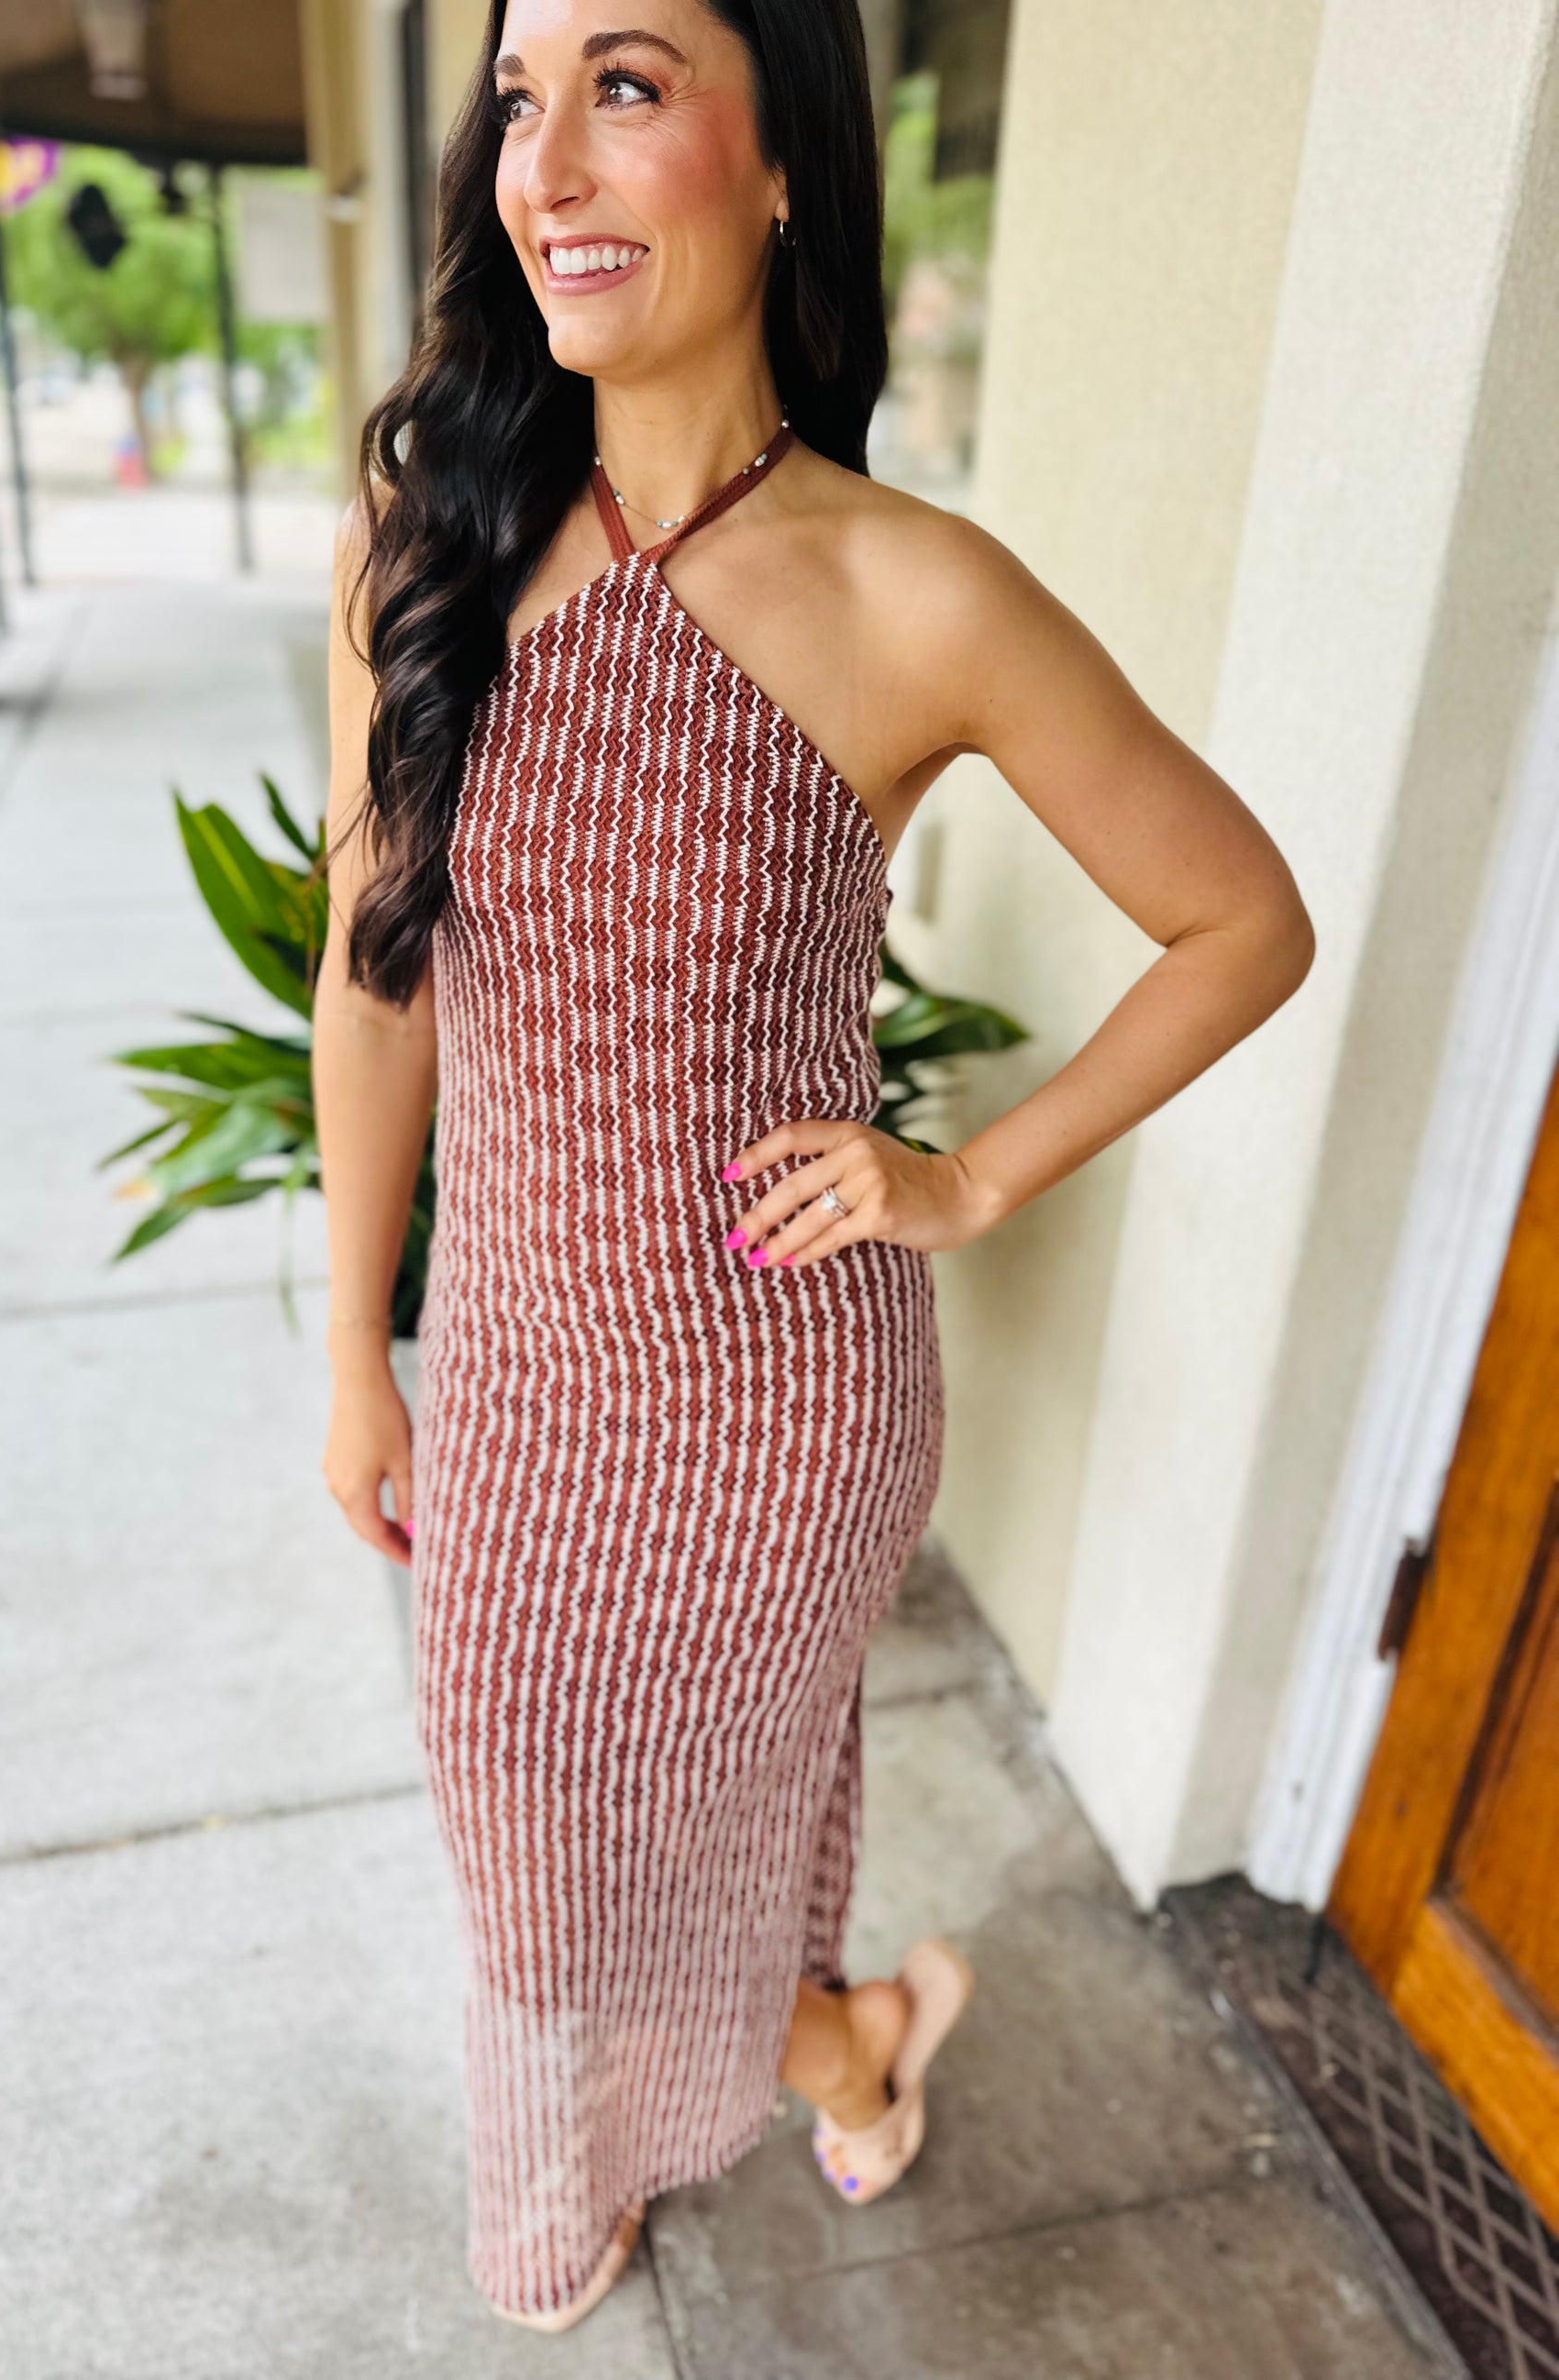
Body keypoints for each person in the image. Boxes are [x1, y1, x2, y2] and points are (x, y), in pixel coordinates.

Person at [314, 0, 1315, 2334]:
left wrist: (966, 1181)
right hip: (521, 1364)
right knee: (542, 1840)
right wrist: (358, 1338)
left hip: (777, 1401)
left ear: (782, 166)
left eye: (628, 85)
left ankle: (730, 2100)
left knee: (644, 1842)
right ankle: (848, 2037)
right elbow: (372, 979)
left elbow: (1242, 919)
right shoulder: (426, 549)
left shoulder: (908, 591)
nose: (547, 162)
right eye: (518, 99)